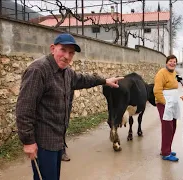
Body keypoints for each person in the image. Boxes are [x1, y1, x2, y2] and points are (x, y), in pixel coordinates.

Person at [15, 33, 123, 180]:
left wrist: (104, 81)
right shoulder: (38, 70)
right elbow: (24, 107)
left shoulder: (66, 72)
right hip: (43, 141)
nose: (67, 56)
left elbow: (83, 80)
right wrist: (28, 141)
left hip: (57, 139)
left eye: (71, 53)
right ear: (53, 48)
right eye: (63, 50)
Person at [154, 55, 180, 162]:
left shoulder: (174, 73)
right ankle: (165, 153)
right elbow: (157, 90)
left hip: (172, 103)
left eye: (174, 62)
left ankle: (166, 149)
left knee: (173, 126)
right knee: (167, 127)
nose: (172, 63)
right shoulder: (161, 73)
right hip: (164, 104)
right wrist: (165, 103)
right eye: (170, 61)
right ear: (166, 62)